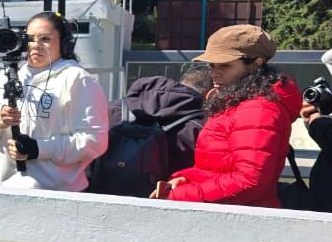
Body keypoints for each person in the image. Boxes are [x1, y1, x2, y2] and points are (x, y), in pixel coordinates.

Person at [155, 25, 301, 207]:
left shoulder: (258, 109)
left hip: (241, 220)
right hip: (230, 214)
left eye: (224, 65)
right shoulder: (238, 101)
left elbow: (250, 181)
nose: (214, 73)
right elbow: (216, 170)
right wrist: (185, 178)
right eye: (211, 65)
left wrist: (179, 196)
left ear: (256, 63)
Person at [0, 12, 109, 191]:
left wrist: (38, 149)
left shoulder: (78, 80)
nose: (36, 46)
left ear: (65, 43)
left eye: (45, 39)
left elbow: (95, 141)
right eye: (30, 39)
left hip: (54, 196)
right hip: (1, 192)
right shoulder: (5, 79)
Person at [119, 68, 212, 174]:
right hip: (169, 188)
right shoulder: (204, 126)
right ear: (209, 94)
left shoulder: (116, 108)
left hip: (108, 186)